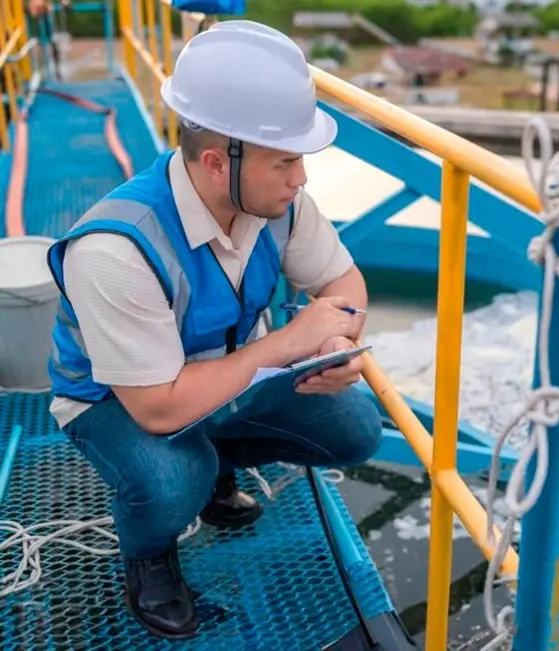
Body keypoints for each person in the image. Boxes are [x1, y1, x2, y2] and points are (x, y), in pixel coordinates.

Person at [45, 20, 383, 640]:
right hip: (118, 401)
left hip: (229, 375)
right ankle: (149, 555)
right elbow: (158, 408)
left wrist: (335, 342)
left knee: (357, 428)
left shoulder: (276, 204)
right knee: (174, 479)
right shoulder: (116, 248)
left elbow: (344, 284)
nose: (301, 179)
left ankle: (216, 459)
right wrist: (289, 342)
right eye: (286, 161)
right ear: (216, 162)